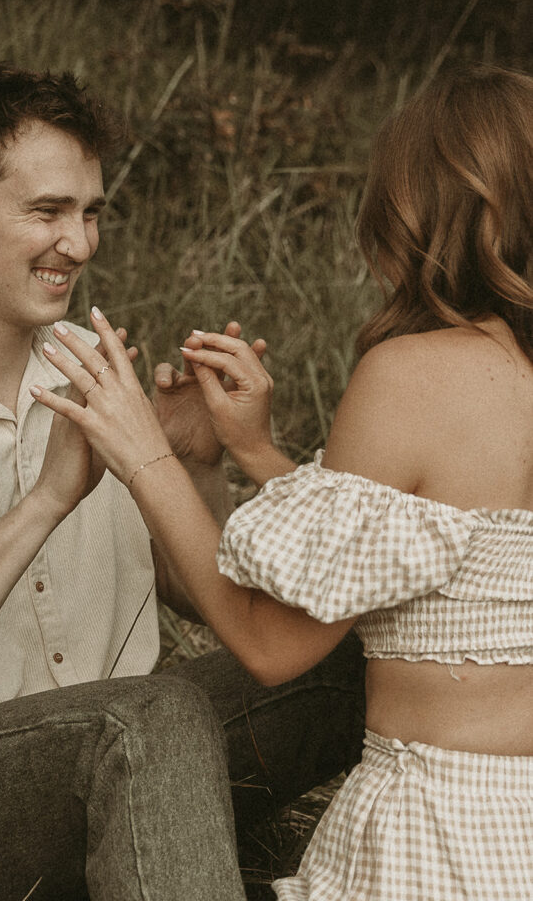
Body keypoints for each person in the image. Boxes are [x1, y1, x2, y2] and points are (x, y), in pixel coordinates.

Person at [0, 63, 365, 900]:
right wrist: (48, 499)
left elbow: (213, 607)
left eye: (91, 212)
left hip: (129, 750)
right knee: (142, 716)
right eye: (47, 211)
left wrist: (192, 471)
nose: (81, 244)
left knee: (353, 648)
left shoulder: (86, 370)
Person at [33, 63, 533, 900]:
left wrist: (142, 452)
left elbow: (273, 647)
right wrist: (259, 459)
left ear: (416, 211)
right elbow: (448, 549)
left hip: (440, 839)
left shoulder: (412, 374)